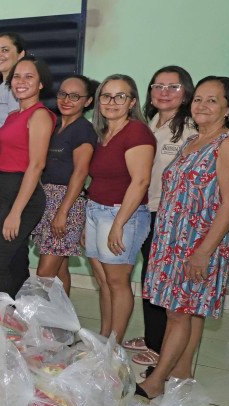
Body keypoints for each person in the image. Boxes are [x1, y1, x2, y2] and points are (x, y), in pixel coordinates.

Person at [138, 76, 229, 399]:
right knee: (189, 309)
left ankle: (156, 381)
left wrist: (203, 252)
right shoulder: (193, 141)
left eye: (212, 100)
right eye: (198, 98)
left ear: (228, 108)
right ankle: (182, 372)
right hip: (174, 240)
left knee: (178, 313)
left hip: (200, 243)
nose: (202, 105)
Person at [124, 66, 197, 370]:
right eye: (158, 86)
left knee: (164, 284)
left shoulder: (191, 130)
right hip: (143, 210)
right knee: (150, 280)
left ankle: (161, 348)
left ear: (186, 93)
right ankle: (154, 339)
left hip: (169, 218)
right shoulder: (147, 124)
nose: (164, 92)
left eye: (173, 87)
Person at [85, 74, 155, 345]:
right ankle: (104, 338)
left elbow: (141, 181)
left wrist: (118, 225)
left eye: (120, 96)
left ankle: (113, 345)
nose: (112, 102)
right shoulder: (102, 134)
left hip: (120, 215)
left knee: (117, 282)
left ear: (132, 102)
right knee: (103, 280)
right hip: (96, 210)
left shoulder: (136, 131)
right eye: (106, 96)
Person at [0, 55, 55, 296]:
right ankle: (22, 318)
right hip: (6, 193)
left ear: (41, 83)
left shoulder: (40, 115)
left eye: (29, 76)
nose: (21, 81)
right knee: (15, 259)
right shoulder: (14, 116)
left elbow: (36, 165)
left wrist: (15, 212)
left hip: (24, 195)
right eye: (16, 77)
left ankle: (5, 315)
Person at [33, 75, 98, 294]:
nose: (66, 100)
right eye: (62, 93)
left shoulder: (84, 129)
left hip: (67, 204)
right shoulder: (55, 124)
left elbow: (81, 172)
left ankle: (46, 323)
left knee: (44, 275)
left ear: (87, 101)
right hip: (47, 201)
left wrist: (63, 212)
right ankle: (62, 324)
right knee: (59, 271)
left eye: (75, 96)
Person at [0, 32, 26, 128]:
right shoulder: (2, 87)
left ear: (21, 55)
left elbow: (17, 127)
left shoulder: (17, 86)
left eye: (5, 50)